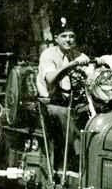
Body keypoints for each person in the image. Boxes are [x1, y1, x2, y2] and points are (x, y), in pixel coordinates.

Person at [36, 17, 90, 170]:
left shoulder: (76, 54)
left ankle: (88, 157)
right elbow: (50, 78)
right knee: (64, 115)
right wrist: (71, 65)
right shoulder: (48, 55)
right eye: (64, 36)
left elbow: (88, 70)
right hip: (51, 102)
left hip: (72, 102)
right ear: (56, 39)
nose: (68, 40)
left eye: (71, 36)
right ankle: (75, 160)